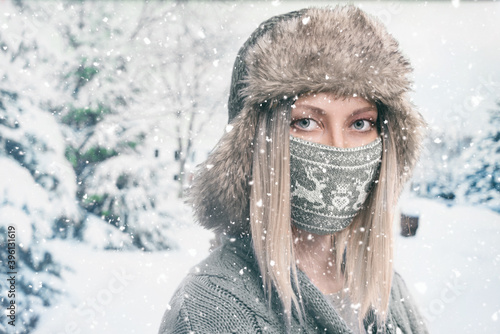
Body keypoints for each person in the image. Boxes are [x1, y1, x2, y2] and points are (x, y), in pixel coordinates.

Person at [158, 5, 429, 334]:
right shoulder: (212, 310)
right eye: (306, 122)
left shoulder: (387, 291)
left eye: (360, 123)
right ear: (256, 146)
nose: (338, 147)